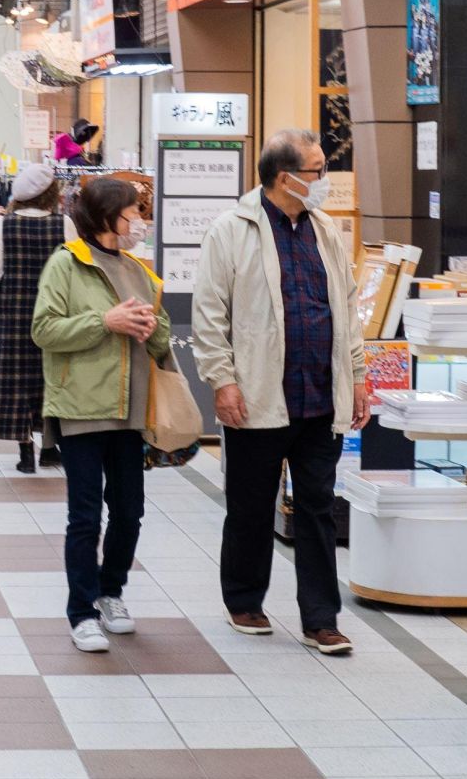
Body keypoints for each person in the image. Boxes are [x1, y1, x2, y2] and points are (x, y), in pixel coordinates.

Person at [191, 129, 362, 654]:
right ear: (286, 177)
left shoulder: (326, 230)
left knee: (315, 507)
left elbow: (347, 309)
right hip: (259, 393)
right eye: (316, 170)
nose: (324, 180)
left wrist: (357, 377)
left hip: (319, 393)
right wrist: (221, 379)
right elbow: (209, 313)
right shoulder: (231, 230)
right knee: (249, 504)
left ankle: (320, 618)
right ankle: (244, 601)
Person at [31, 176, 168, 653]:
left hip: (131, 411)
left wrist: (151, 326)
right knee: (85, 515)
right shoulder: (66, 264)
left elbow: (163, 336)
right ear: (107, 215)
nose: (139, 222)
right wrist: (104, 322)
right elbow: (44, 329)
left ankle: (112, 593)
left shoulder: (137, 268)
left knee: (130, 510)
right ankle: (82, 611)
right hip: (81, 408)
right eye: (132, 212)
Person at [0, 163, 68, 475]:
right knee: (53, 379)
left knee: (17, 382)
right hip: (57, 314)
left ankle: (25, 454)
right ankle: (50, 448)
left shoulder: (5, 225)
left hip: (16, 314)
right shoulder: (66, 224)